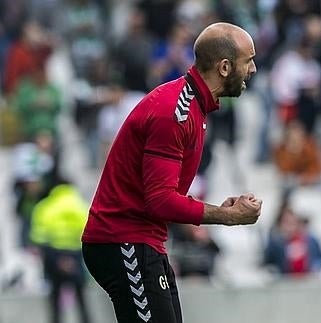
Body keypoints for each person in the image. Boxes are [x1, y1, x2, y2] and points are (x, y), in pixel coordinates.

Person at [81, 22, 262, 323]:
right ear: (226, 67)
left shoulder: (192, 108)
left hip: (142, 240)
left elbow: (160, 193)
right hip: (123, 240)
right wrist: (225, 216)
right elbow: (160, 200)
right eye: (249, 60)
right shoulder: (175, 113)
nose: (254, 69)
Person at [30, 181, 91, 323]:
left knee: (55, 296)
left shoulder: (44, 207)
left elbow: (37, 236)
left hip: (53, 254)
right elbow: (89, 231)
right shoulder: (80, 205)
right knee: (81, 297)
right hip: (76, 254)